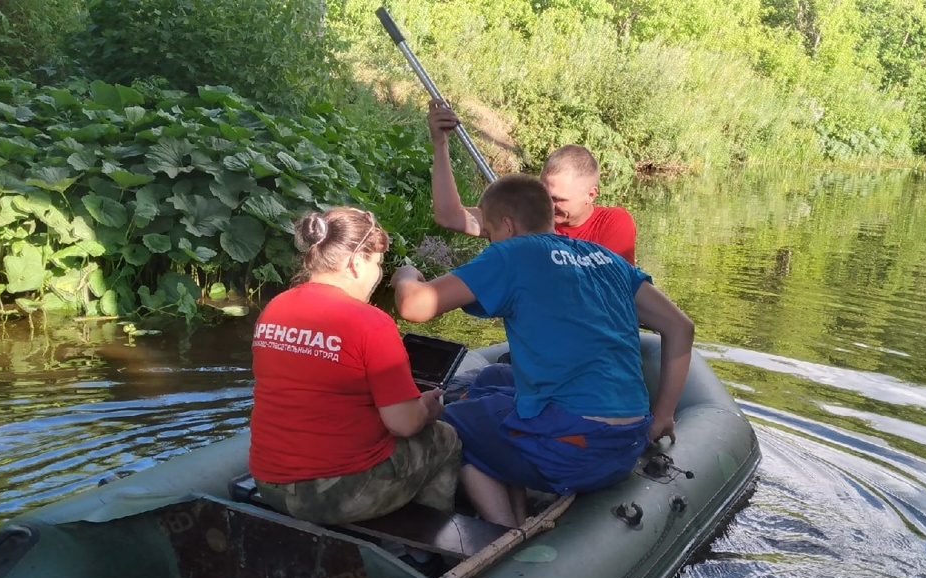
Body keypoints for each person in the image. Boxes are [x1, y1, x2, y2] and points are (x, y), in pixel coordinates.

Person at [391, 174, 694, 527]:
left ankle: (506, 534)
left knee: (449, 425)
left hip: (575, 453)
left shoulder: (513, 253)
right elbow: (680, 327)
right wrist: (663, 416)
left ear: (506, 226)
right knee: (492, 377)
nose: (490, 242)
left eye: (488, 234)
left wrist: (407, 276)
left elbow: (415, 306)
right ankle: (520, 509)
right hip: (627, 445)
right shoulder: (606, 258)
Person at [249, 206, 460, 526]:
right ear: (355, 263)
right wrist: (427, 408)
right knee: (445, 439)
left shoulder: (275, 307)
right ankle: (426, 550)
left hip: (269, 484)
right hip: (336, 494)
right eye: (377, 263)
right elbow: (403, 425)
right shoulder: (371, 323)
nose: (378, 274)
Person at [428, 99, 638, 264]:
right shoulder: (524, 215)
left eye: (558, 200)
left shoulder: (614, 222)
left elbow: (608, 286)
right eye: (543, 193)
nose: (546, 204)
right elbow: (450, 216)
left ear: (590, 195)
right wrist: (440, 143)